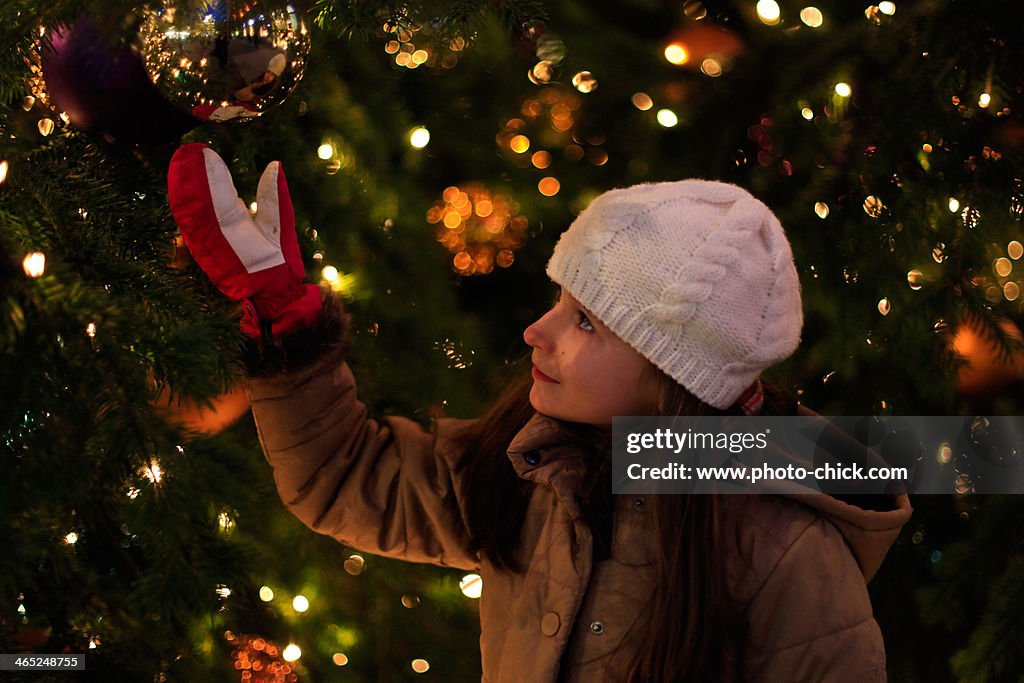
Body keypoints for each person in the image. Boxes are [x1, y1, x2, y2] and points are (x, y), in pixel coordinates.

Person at [167, 143, 913, 682]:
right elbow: (346, 475)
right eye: (559, 301)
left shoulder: (782, 552)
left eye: (586, 320)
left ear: (673, 375)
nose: (538, 332)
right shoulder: (536, 468)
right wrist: (288, 326)